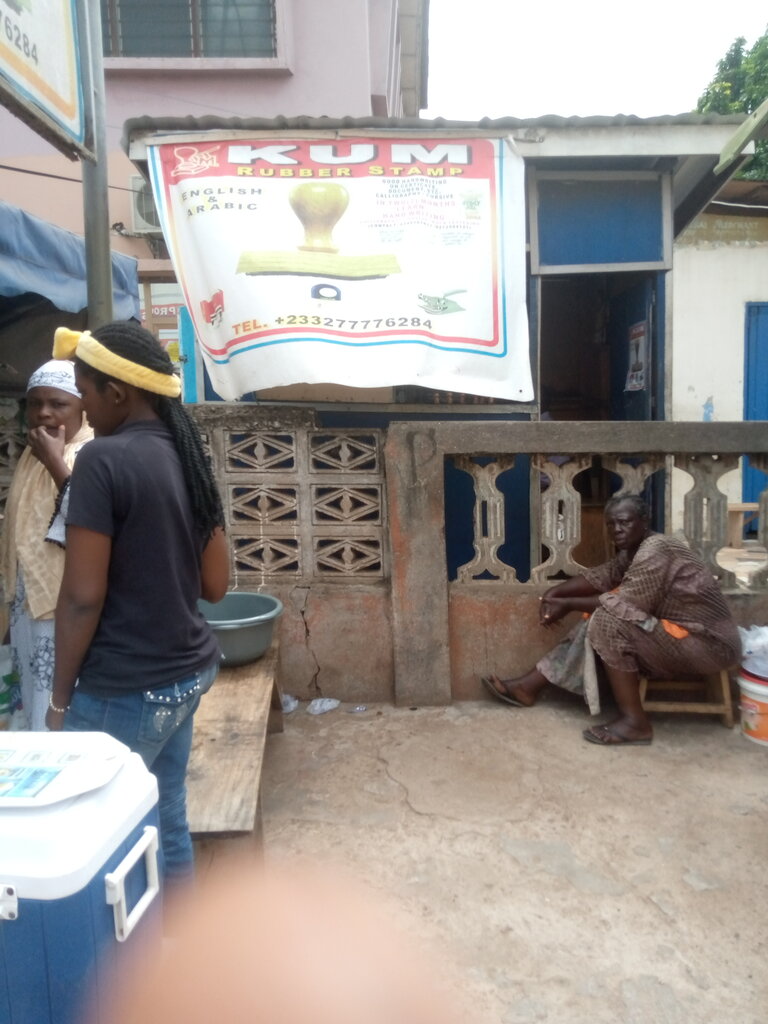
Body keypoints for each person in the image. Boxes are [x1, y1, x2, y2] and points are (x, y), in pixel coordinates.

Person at [44, 322, 229, 887]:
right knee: (165, 815)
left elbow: (80, 598)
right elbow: (216, 585)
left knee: (84, 845)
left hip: (124, 687)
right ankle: (179, 950)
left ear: (117, 392)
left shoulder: (102, 460)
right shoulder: (184, 454)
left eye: (85, 390)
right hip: (186, 673)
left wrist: (57, 703)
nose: (83, 406)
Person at [482, 494, 741, 746]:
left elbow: (623, 604)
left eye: (625, 522)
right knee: (598, 615)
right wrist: (553, 594)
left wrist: (568, 605)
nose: (617, 529)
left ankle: (635, 723)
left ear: (644, 521)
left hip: (709, 644)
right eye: (611, 524)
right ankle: (528, 686)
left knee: (608, 619)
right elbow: (600, 577)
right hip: (680, 638)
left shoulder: (657, 548)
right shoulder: (632, 553)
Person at [0, 359, 92, 729]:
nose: (44, 413)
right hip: (30, 602)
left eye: (58, 404)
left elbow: (87, 523)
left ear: (83, 408)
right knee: (36, 695)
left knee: (62, 701)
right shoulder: (30, 456)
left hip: (68, 604)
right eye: (35, 403)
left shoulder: (91, 455)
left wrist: (56, 462)